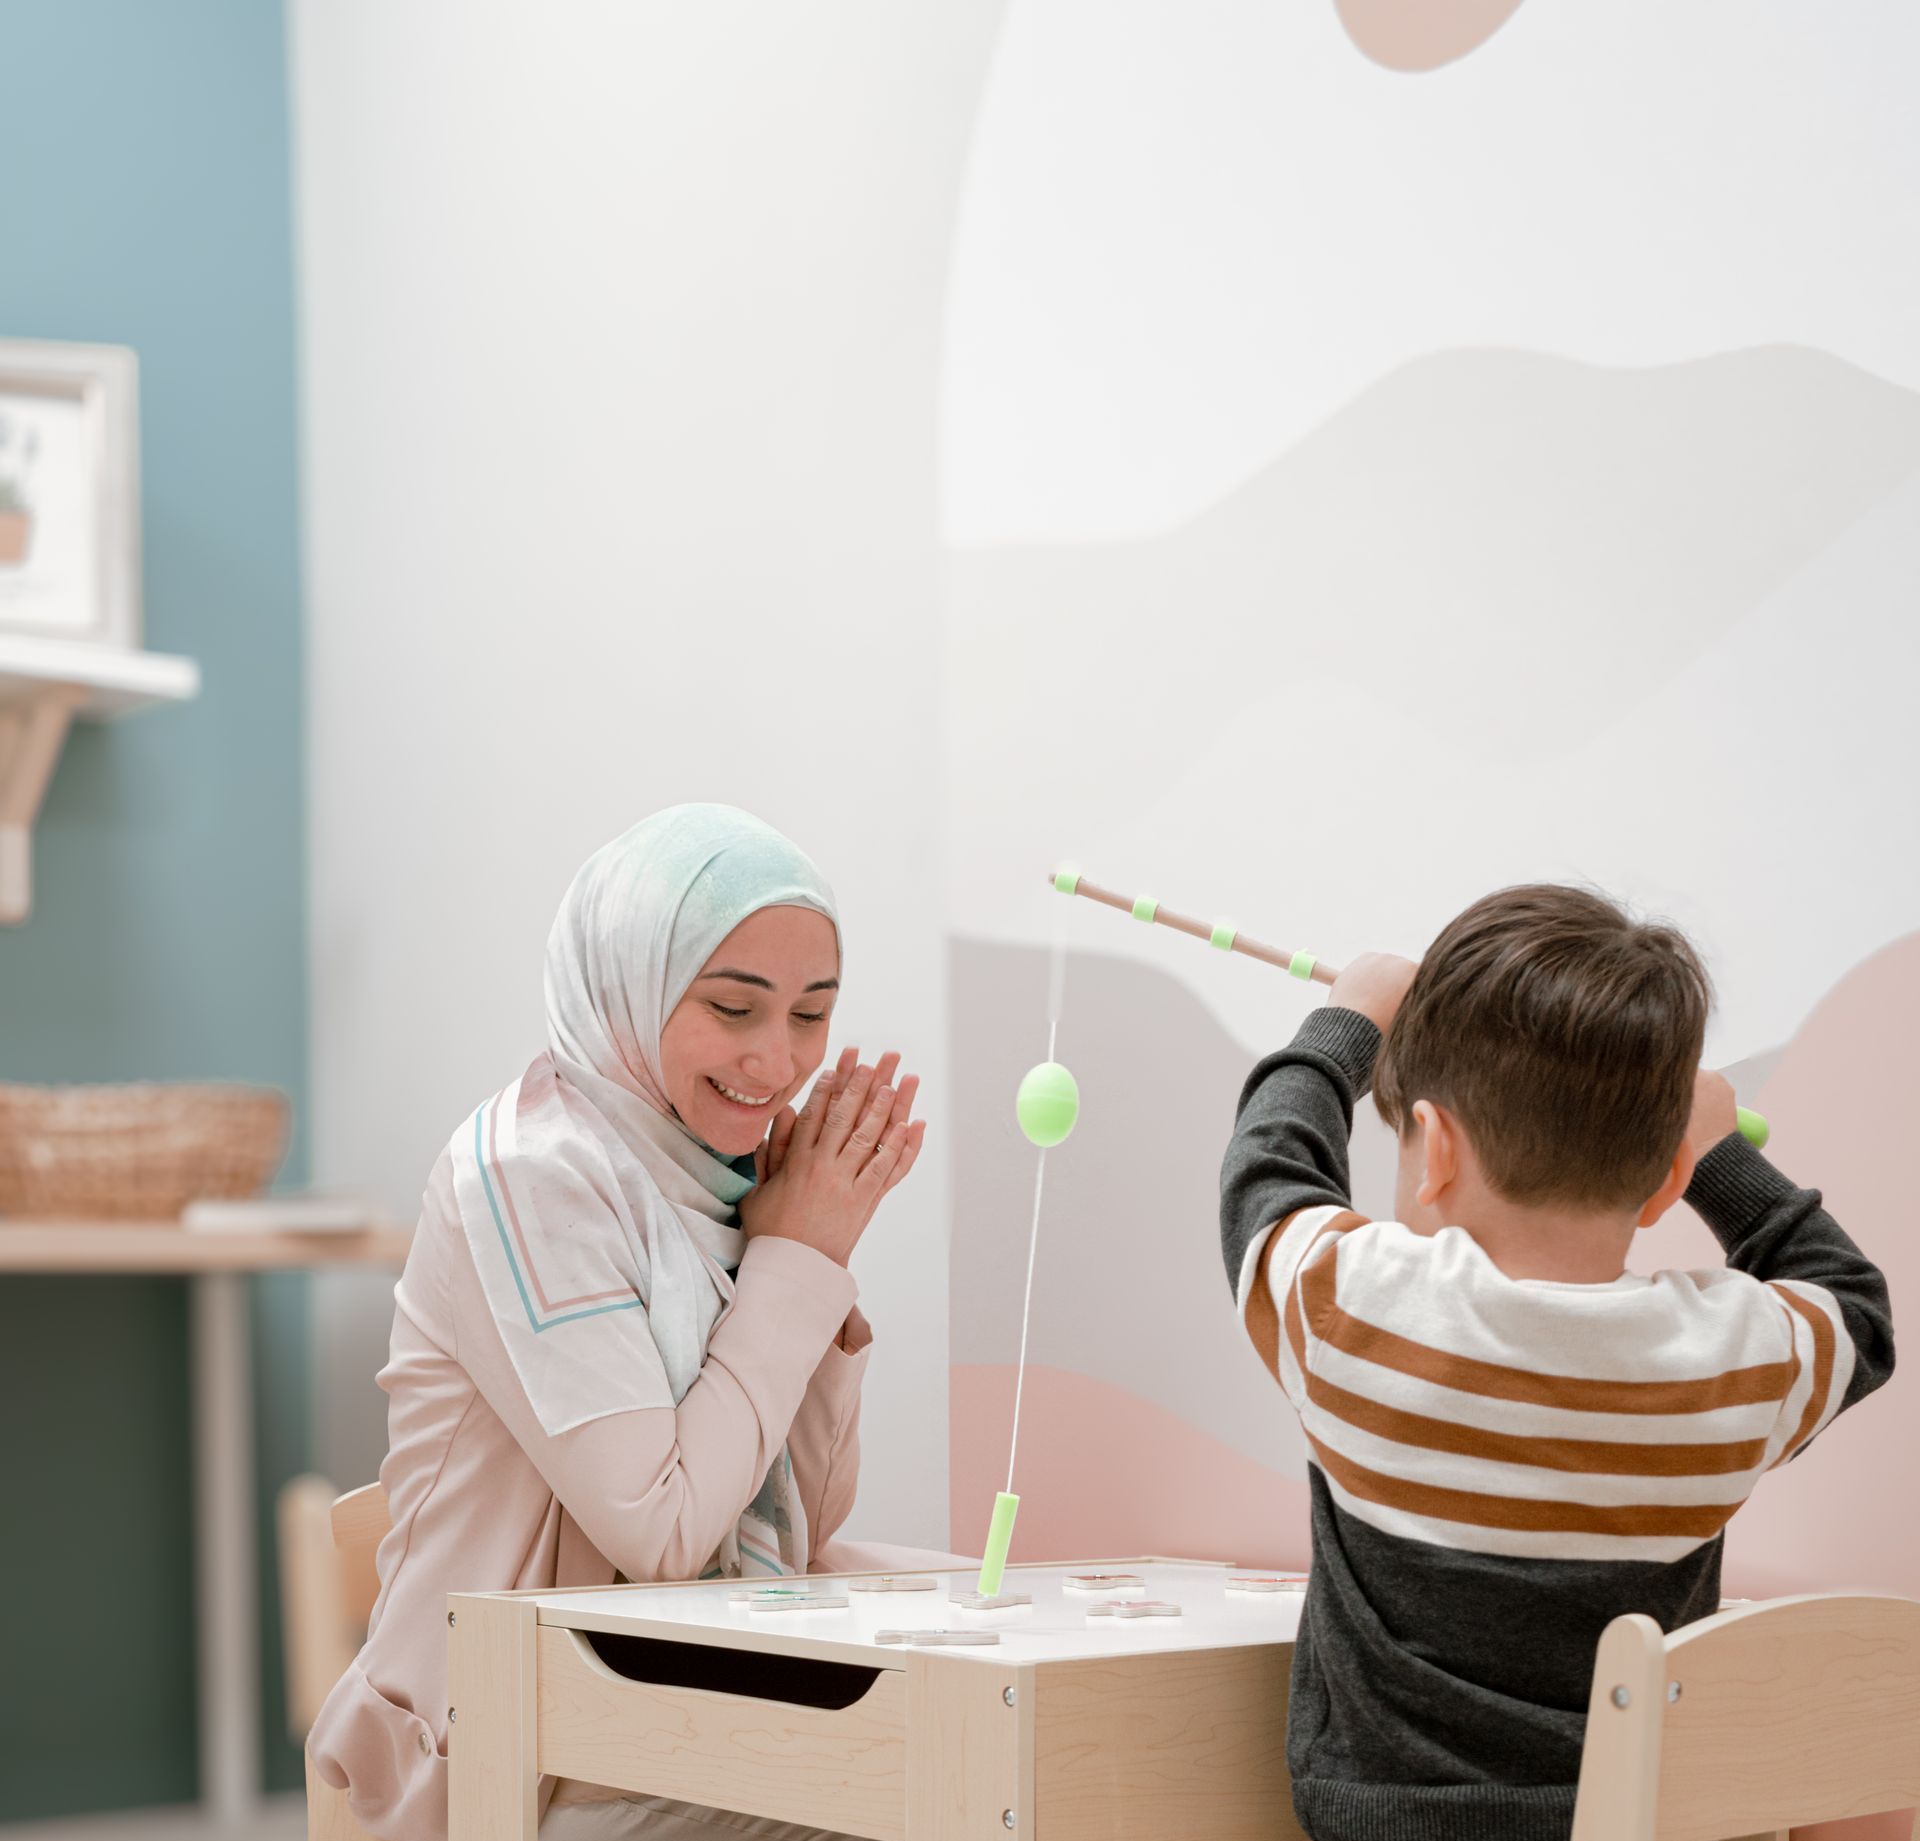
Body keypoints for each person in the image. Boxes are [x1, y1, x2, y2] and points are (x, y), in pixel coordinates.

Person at [1219, 884, 1897, 1841]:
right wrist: (1715, 1155)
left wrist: (1346, 1022)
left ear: (1436, 1149)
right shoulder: (1731, 1363)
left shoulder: (1354, 1306)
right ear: (1665, 1180)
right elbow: (1854, 1303)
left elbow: (1268, 1170)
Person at [310, 804, 931, 1840]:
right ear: (627, 982)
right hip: (520, 1756)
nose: (778, 1063)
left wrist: (806, 1253)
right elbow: (667, 1529)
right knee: (962, 1795)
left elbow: (799, 1520)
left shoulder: (715, 1176)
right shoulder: (532, 1174)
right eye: (734, 1008)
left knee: (1017, 1769)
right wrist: (799, 1258)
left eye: (811, 1014)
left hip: (674, 1707)